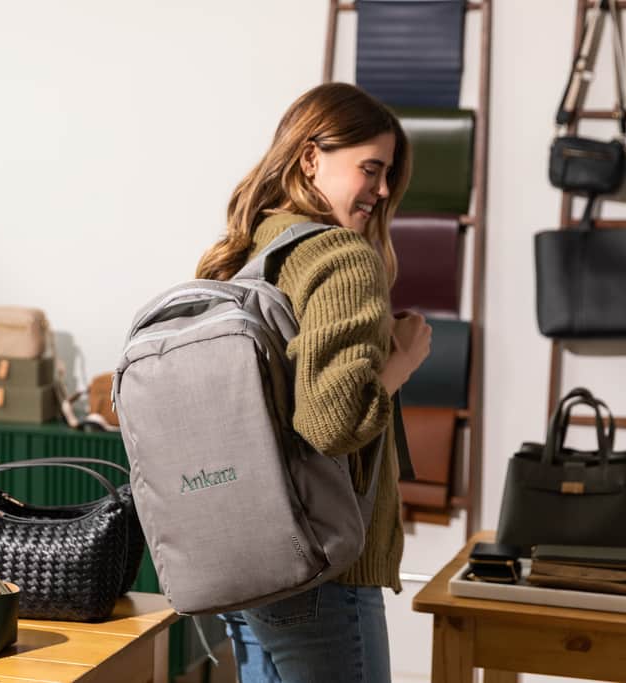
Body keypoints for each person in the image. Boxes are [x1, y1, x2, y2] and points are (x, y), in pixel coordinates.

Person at [195, 82, 432, 683]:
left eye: (388, 174)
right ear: (309, 158)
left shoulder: (244, 254)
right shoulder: (342, 257)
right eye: (371, 169)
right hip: (324, 576)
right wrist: (401, 363)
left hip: (246, 563)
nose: (383, 190)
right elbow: (333, 424)